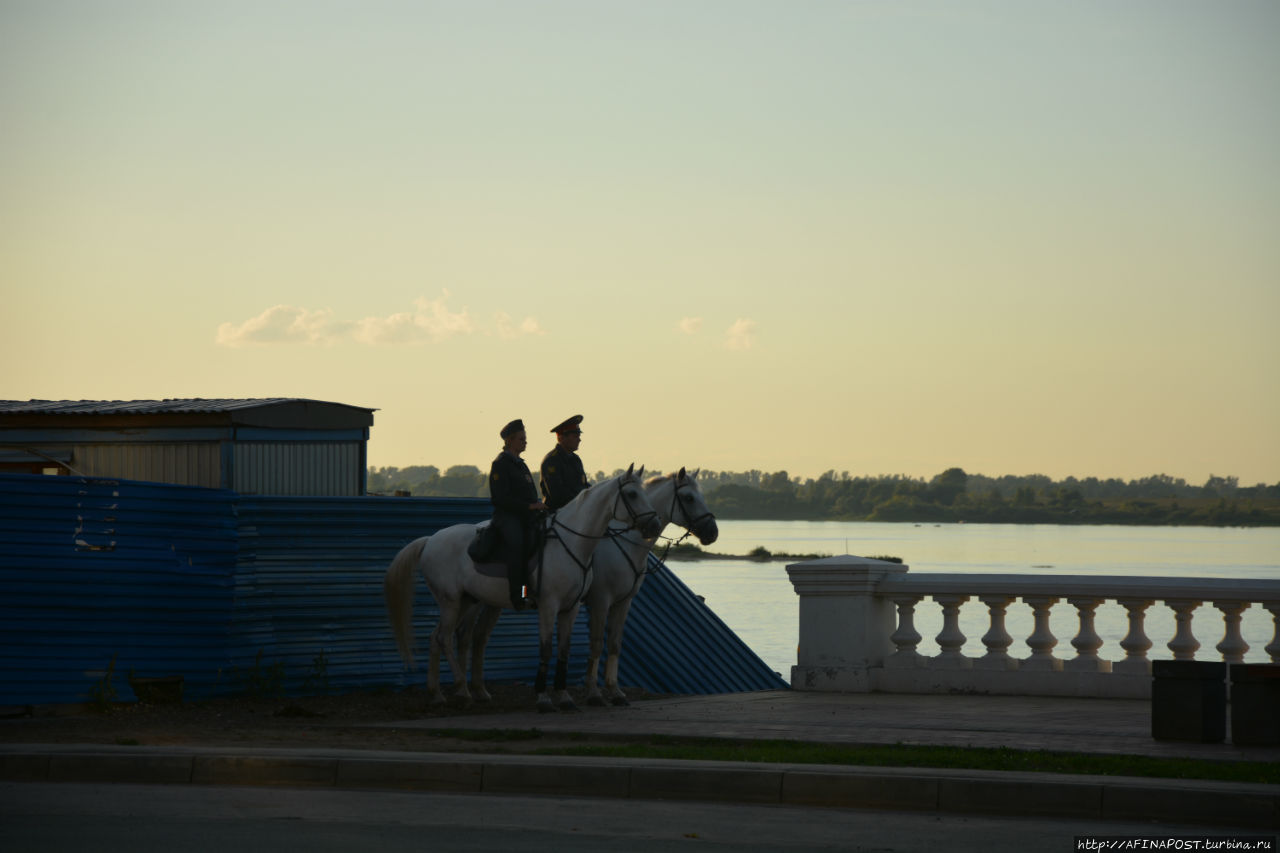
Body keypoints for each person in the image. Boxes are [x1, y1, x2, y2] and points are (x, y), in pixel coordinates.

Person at [488, 419, 545, 609]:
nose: (525, 442)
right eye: (521, 439)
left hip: (527, 516)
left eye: (525, 438)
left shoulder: (520, 464)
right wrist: (529, 507)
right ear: (510, 440)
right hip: (507, 518)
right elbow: (500, 499)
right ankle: (520, 595)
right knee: (518, 546)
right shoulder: (501, 464)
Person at [540, 414, 589, 511]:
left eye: (578, 436)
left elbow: (584, 486)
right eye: (575, 436)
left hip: (577, 510)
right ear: (561, 438)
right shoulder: (551, 461)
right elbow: (557, 495)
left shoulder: (576, 459)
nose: (579, 439)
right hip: (557, 514)